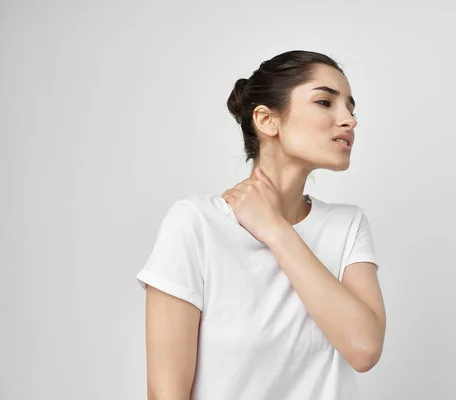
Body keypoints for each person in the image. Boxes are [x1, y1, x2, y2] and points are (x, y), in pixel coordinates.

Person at [136, 50, 386, 400]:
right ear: (267, 120)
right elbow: (165, 395)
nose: (348, 120)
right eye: (325, 102)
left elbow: (364, 349)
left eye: (350, 107)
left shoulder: (347, 226)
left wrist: (276, 230)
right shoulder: (195, 225)